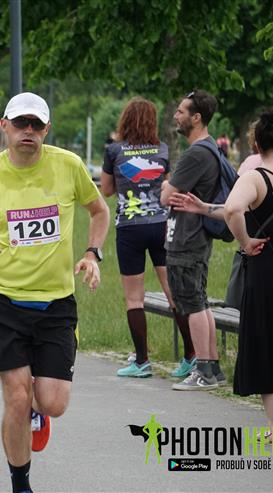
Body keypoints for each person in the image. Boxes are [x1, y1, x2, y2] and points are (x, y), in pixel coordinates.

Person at [0, 92, 109, 492]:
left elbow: (99, 210)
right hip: (4, 302)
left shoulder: (68, 165)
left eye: (36, 124)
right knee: (17, 397)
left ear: (47, 129)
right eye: (21, 123)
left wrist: (92, 253)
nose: (29, 131)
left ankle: (40, 413)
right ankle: (21, 485)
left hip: (56, 304)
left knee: (53, 402)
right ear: (4, 126)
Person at [169, 108, 273, 441]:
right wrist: (204, 208)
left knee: (271, 348)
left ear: (256, 144)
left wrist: (245, 241)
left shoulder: (255, 178)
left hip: (268, 276)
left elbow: (234, 209)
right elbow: (231, 209)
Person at [100, 97, 193, 378]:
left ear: (125, 120)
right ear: (152, 122)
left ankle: (141, 361)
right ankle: (191, 356)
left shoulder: (114, 150)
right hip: (161, 225)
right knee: (173, 292)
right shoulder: (162, 149)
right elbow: (166, 184)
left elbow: (106, 190)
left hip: (130, 228)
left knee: (134, 299)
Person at [160, 90, 226, 391]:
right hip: (196, 236)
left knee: (192, 303)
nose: (176, 116)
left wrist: (167, 186)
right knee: (199, 300)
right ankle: (212, 368)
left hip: (187, 237)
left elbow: (166, 196)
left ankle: (204, 371)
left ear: (196, 117)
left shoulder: (196, 153)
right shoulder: (210, 149)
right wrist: (169, 187)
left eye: (181, 111)